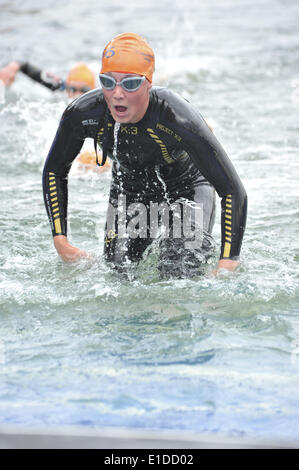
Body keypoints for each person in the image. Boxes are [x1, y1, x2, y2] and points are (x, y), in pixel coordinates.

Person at [42, 32, 247, 278]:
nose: (117, 93)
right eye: (108, 82)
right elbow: (55, 170)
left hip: (187, 190)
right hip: (130, 193)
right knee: (118, 275)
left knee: (177, 273)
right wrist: (61, 240)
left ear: (148, 83)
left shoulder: (175, 115)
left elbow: (232, 190)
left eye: (129, 84)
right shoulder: (83, 114)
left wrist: (227, 261)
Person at [0, 61, 96, 98]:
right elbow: (26, 67)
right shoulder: (59, 87)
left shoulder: (100, 98)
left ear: (93, 90)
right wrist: (12, 68)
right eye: (72, 89)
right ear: (66, 87)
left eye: (85, 90)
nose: (77, 95)